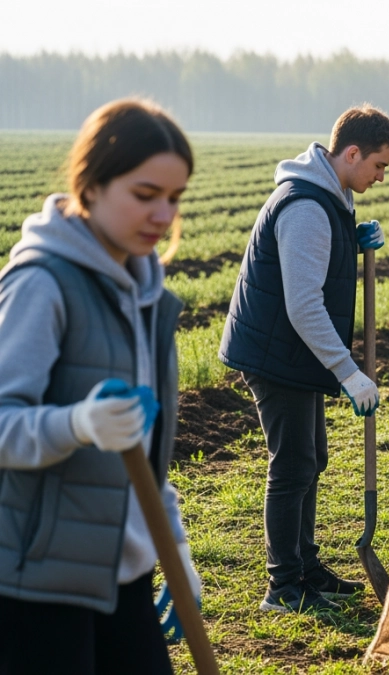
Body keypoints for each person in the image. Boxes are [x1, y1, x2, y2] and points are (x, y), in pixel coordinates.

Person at [0, 98, 200, 674]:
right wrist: (76, 424)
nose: (163, 214)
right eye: (145, 195)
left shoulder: (145, 296)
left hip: (125, 574)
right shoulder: (43, 284)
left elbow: (148, 449)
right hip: (39, 585)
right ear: (90, 185)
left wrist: (174, 547)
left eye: (174, 198)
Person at [220, 104, 389, 614]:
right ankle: (283, 586)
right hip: (275, 350)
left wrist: (350, 236)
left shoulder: (331, 196)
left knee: (311, 458)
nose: (381, 176)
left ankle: (305, 565)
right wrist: (348, 371)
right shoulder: (305, 206)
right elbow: (303, 303)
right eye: (378, 165)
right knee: (294, 463)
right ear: (351, 153)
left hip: (290, 349)